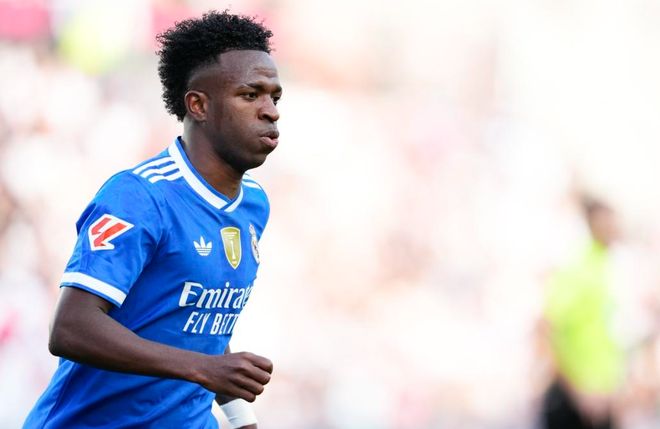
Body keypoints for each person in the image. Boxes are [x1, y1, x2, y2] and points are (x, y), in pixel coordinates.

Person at [23, 10, 282, 429]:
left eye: (274, 97)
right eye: (250, 95)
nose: (270, 111)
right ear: (198, 105)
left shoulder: (253, 204)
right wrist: (203, 368)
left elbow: (197, 327)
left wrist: (241, 419)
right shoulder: (140, 196)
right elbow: (71, 327)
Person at [540, 197, 624, 429]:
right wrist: (576, 390)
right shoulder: (576, 267)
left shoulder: (610, 266)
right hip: (576, 400)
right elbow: (546, 331)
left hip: (603, 397)